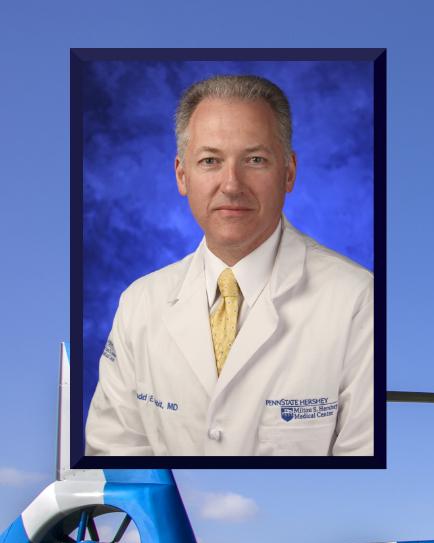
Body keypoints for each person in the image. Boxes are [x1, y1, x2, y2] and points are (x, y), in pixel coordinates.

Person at [85, 74, 373, 457]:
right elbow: (113, 454)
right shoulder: (139, 304)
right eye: (210, 161)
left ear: (288, 172)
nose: (232, 184)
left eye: (255, 160)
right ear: (182, 175)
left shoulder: (358, 300)